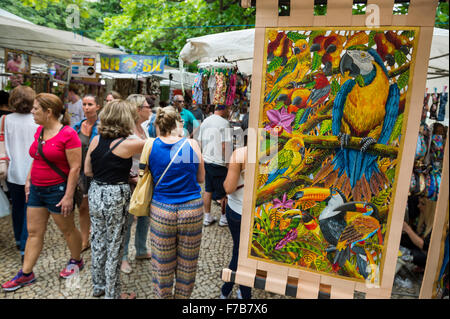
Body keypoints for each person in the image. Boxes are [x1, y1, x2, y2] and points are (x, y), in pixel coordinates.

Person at [2, 93, 83, 292]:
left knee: (68, 230)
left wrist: (68, 196)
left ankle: (76, 260)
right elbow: (38, 157)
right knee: (34, 232)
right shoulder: (39, 130)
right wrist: (29, 180)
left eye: (36, 108)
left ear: (48, 112)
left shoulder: (68, 134)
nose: (32, 111)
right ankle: (26, 273)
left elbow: (75, 167)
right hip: (37, 189)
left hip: (58, 190)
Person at [84, 99, 145, 299]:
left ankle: (98, 286)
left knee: (98, 240)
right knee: (115, 245)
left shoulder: (95, 140)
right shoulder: (129, 144)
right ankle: (113, 293)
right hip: (116, 195)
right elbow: (157, 145)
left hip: (95, 193)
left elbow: (88, 171)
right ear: (125, 118)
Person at [148, 107, 205, 299]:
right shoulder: (192, 145)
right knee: (188, 263)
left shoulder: (151, 145)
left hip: (162, 209)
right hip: (191, 208)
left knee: (162, 264)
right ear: (177, 124)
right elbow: (201, 178)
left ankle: (163, 296)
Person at [4, 86, 39, 262]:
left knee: (17, 208)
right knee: (30, 209)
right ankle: (26, 245)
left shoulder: (5, 119)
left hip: (13, 171)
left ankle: (19, 238)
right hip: (33, 172)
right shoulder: (37, 120)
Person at [120, 94, 152, 274]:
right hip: (131, 181)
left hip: (144, 180)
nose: (150, 109)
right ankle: (123, 257)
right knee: (128, 220)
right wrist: (131, 177)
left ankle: (140, 248)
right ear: (138, 109)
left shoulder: (142, 127)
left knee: (145, 216)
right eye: (147, 106)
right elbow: (120, 156)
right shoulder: (127, 130)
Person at [220, 116, 251, 299]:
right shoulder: (272, 153)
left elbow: (229, 188)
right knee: (243, 251)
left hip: (238, 211)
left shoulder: (240, 154)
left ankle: (232, 290)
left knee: (239, 252)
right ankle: (242, 292)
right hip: (259, 214)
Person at [72, 94, 101, 252]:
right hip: (80, 172)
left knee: (95, 207)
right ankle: (84, 240)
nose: (86, 107)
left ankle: (96, 237)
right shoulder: (77, 127)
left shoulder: (102, 126)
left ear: (97, 106)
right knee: (82, 207)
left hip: (96, 172)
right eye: (84, 104)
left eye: (90, 104)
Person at [198, 105, 233, 227]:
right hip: (219, 162)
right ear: (224, 109)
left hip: (207, 160)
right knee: (223, 193)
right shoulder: (224, 123)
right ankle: (224, 218)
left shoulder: (205, 121)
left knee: (208, 190)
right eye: (228, 109)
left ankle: (207, 217)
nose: (229, 111)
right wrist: (229, 163)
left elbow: (200, 142)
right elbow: (225, 146)